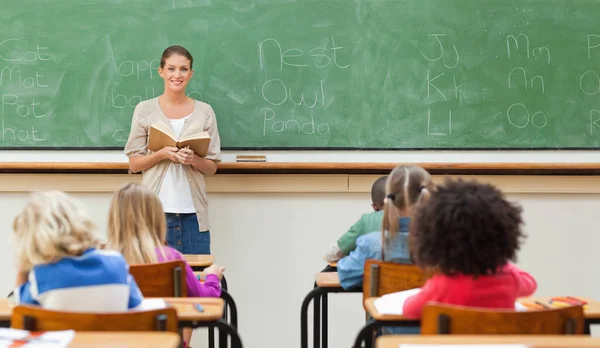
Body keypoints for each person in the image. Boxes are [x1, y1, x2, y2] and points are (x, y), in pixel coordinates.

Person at [124, 45, 221, 255]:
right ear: (161, 71)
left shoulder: (205, 111)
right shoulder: (145, 109)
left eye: (184, 69)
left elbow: (212, 166)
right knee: (155, 279)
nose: (177, 75)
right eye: (171, 69)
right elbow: (134, 163)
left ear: (191, 73)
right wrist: (161, 154)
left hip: (194, 215)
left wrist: (193, 159)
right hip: (154, 213)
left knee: (197, 281)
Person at [106, 182, 224, 347]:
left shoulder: (104, 262)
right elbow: (203, 298)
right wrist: (213, 276)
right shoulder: (171, 258)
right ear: (156, 218)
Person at [402, 178, 537, 318]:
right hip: (498, 340)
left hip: (453, 341)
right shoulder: (509, 279)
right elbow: (531, 284)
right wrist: (500, 262)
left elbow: (409, 310)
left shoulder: (440, 287)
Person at [12, 191, 143, 312]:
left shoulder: (42, 276)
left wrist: (23, 265)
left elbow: (22, 313)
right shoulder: (117, 263)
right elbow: (137, 308)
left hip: (64, 336)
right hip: (113, 337)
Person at [337, 165, 433, 290]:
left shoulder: (371, 245)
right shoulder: (443, 247)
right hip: (429, 309)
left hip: (383, 309)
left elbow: (345, 274)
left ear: (389, 200)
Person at [323, 176, 387, 264]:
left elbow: (332, 255)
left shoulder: (366, 221)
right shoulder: (411, 218)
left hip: (373, 276)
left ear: (374, 207)